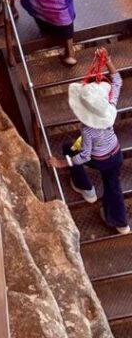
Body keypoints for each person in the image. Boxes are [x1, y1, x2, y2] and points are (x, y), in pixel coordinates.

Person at [48, 48, 129, 235]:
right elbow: (117, 80)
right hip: (115, 154)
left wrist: (61, 163)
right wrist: (108, 61)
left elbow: (85, 156)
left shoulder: (88, 130)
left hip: (98, 159)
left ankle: (86, 188)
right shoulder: (110, 107)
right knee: (113, 186)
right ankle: (121, 223)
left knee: (69, 149)